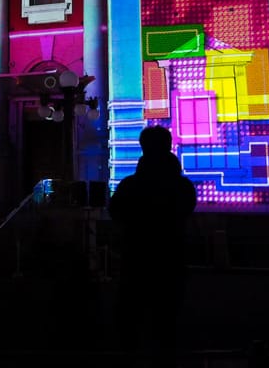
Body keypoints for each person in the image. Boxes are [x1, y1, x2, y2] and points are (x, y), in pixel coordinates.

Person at [108, 125, 197, 367]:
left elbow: (115, 212)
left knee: (130, 317)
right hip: (171, 258)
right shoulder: (183, 187)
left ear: (142, 146)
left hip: (136, 257)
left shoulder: (129, 185)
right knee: (167, 319)